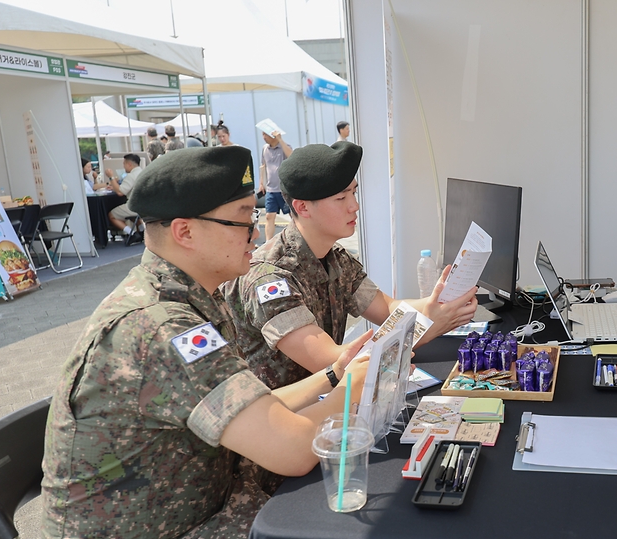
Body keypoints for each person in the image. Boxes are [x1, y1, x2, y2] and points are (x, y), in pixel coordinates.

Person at [41, 146, 372, 538]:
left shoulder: (189, 298)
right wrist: (362, 383)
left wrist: (335, 375)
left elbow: (251, 406)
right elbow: (294, 448)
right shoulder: (160, 326)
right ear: (185, 231)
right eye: (241, 219)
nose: (255, 232)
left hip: (202, 508)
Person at [223, 142, 478, 392]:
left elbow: (388, 309)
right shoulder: (269, 278)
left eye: (353, 193)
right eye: (341, 197)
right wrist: (430, 324)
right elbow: (331, 360)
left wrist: (441, 303)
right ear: (302, 207)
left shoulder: (336, 257)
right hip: (281, 422)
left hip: (325, 406)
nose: (354, 205)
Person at [258, 130, 293, 240]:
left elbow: (291, 156)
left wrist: (280, 140)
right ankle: (268, 242)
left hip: (284, 189)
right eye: (262, 134)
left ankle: (295, 238)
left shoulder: (284, 146)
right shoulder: (264, 149)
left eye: (266, 134)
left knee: (293, 216)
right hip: (270, 189)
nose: (264, 137)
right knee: (269, 216)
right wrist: (261, 183)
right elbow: (263, 166)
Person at [105, 154, 144, 245]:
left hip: (135, 205)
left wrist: (111, 177)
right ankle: (141, 231)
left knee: (112, 215)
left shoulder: (131, 176)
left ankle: (132, 233)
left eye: (124, 164)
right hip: (145, 204)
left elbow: (120, 192)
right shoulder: (142, 172)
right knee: (133, 216)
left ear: (129, 164)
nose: (123, 166)